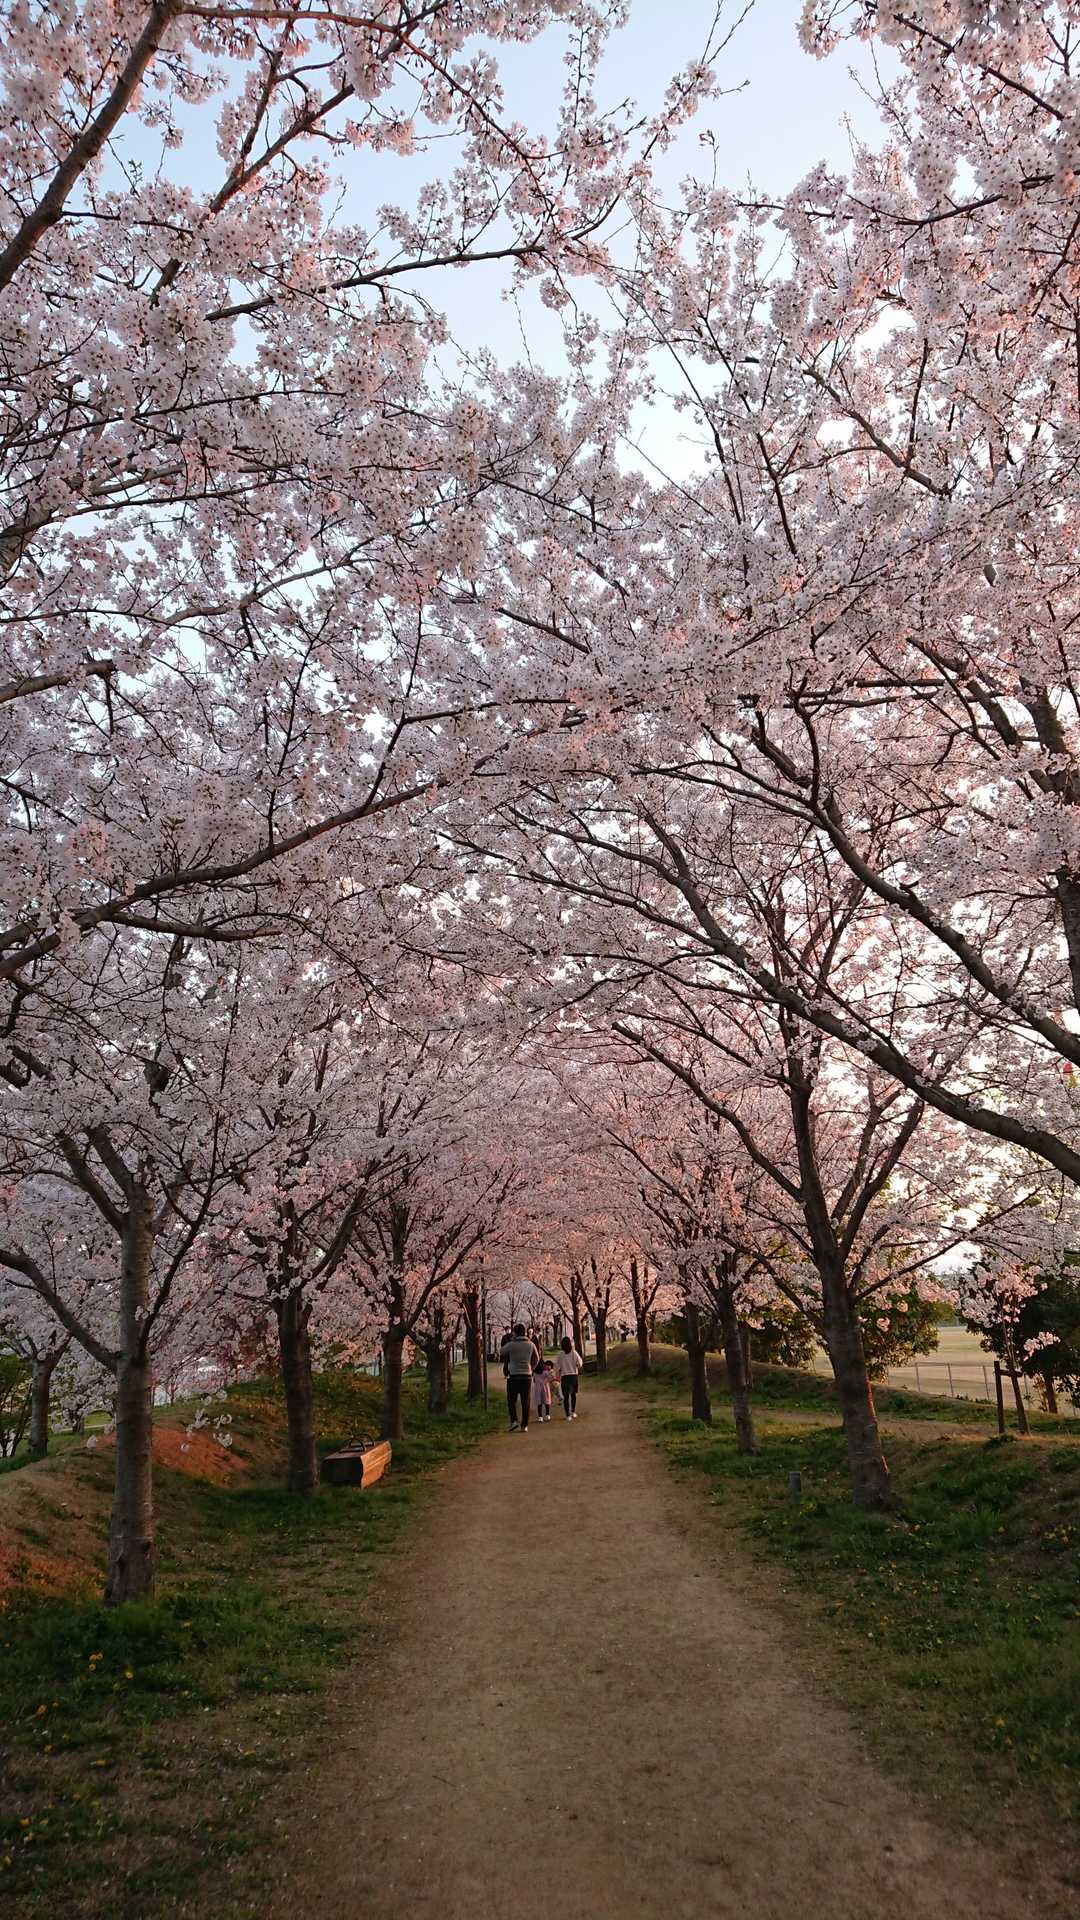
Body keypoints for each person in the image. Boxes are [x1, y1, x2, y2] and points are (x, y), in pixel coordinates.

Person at [502, 1323, 539, 1431]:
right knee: (525, 1401)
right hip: (527, 1375)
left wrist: (511, 1341)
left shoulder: (511, 1344)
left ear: (515, 1333)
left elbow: (501, 1351)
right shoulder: (531, 1344)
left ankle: (514, 1421)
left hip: (514, 1375)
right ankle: (524, 1425)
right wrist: (531, 1367)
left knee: (511, 1399)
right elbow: (536, 1358)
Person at [554, 1335, 584, 1419]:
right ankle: (573, 1412)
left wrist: (557, 1376)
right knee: (573, 1395)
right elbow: (580, 1363)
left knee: (566, 1396)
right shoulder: (574, 1353)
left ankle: (567, 1415)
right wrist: (577, 1366)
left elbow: (557, 1367)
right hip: (573, 1376)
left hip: (565, 1377)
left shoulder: (560, 1355)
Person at [532, 1357, 555, 1424]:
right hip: (545, 1388)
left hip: (537, 1389)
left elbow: (534, 1380)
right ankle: (547, 1415)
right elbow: (551, 1377)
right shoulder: (545, 1372)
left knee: (539, 1403)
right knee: (546, 1402)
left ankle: (540, 1417)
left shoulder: (535, 1373)